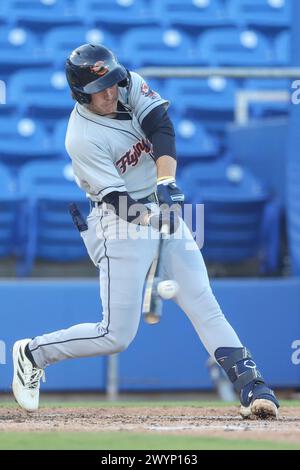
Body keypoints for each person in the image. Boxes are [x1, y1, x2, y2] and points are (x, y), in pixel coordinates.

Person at [12, 44, 279, 419]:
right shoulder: (81, 137)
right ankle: (32, 354)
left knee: (201, 300)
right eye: (99, 88)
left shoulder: (129, 84)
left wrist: (166, 180)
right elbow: (118, 202)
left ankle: (253, 387)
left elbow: (160, 127)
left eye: (112, 83)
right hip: (116, 220)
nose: (109, 92)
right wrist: (154, 219)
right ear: (79, 93)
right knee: (115, 335)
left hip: (156, 201)